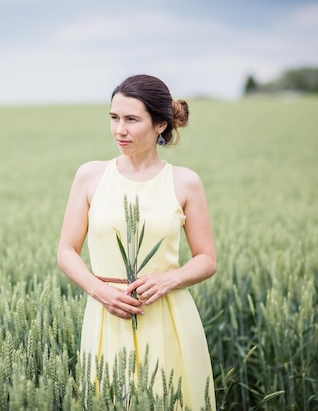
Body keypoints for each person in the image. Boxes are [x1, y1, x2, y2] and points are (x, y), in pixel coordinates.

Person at [57, 74, 216, 410]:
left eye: (131, 120)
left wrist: (169, 278)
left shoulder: (185, 182)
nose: (120, 130)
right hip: (106, 315)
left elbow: (206, 259)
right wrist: (101, 292)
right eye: (114, 118)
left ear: (160, 124)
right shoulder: (91, 175)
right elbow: (66, 251)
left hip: (167, 316)